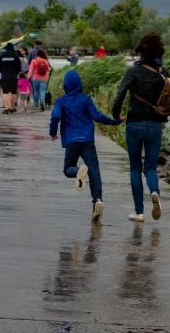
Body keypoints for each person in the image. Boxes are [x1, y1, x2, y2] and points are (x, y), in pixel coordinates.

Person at [50, 70, 122, 221]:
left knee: (68, 169)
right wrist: (115, 121)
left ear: (65, 85)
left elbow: (56, 116)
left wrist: (53, 132)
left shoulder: (61, 101)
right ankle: (97, 200)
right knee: (94, 170)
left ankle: (77, 172)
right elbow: (97, 116)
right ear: (79, 84)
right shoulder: (86, 99)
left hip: (71, 141)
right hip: (87, 140)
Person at [112, 33, 168, 223]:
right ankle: (154, 191)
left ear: (141, 51)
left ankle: (139, 212)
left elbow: (119, 95)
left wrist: (115, 115)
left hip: (134, 123)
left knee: (135, 168)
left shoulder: (133, 71)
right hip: (155, 124)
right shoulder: (163, 72)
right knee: (150, 168)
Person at [0, 42, 22, 114]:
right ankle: (12, 107)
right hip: (14, 76)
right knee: (13, 92)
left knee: (5, 92)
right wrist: (15, 73)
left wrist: (3, 72)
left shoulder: (1, 56)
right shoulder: (15, 56)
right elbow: (19, 67)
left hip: (4, 76)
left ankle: (7, 108)